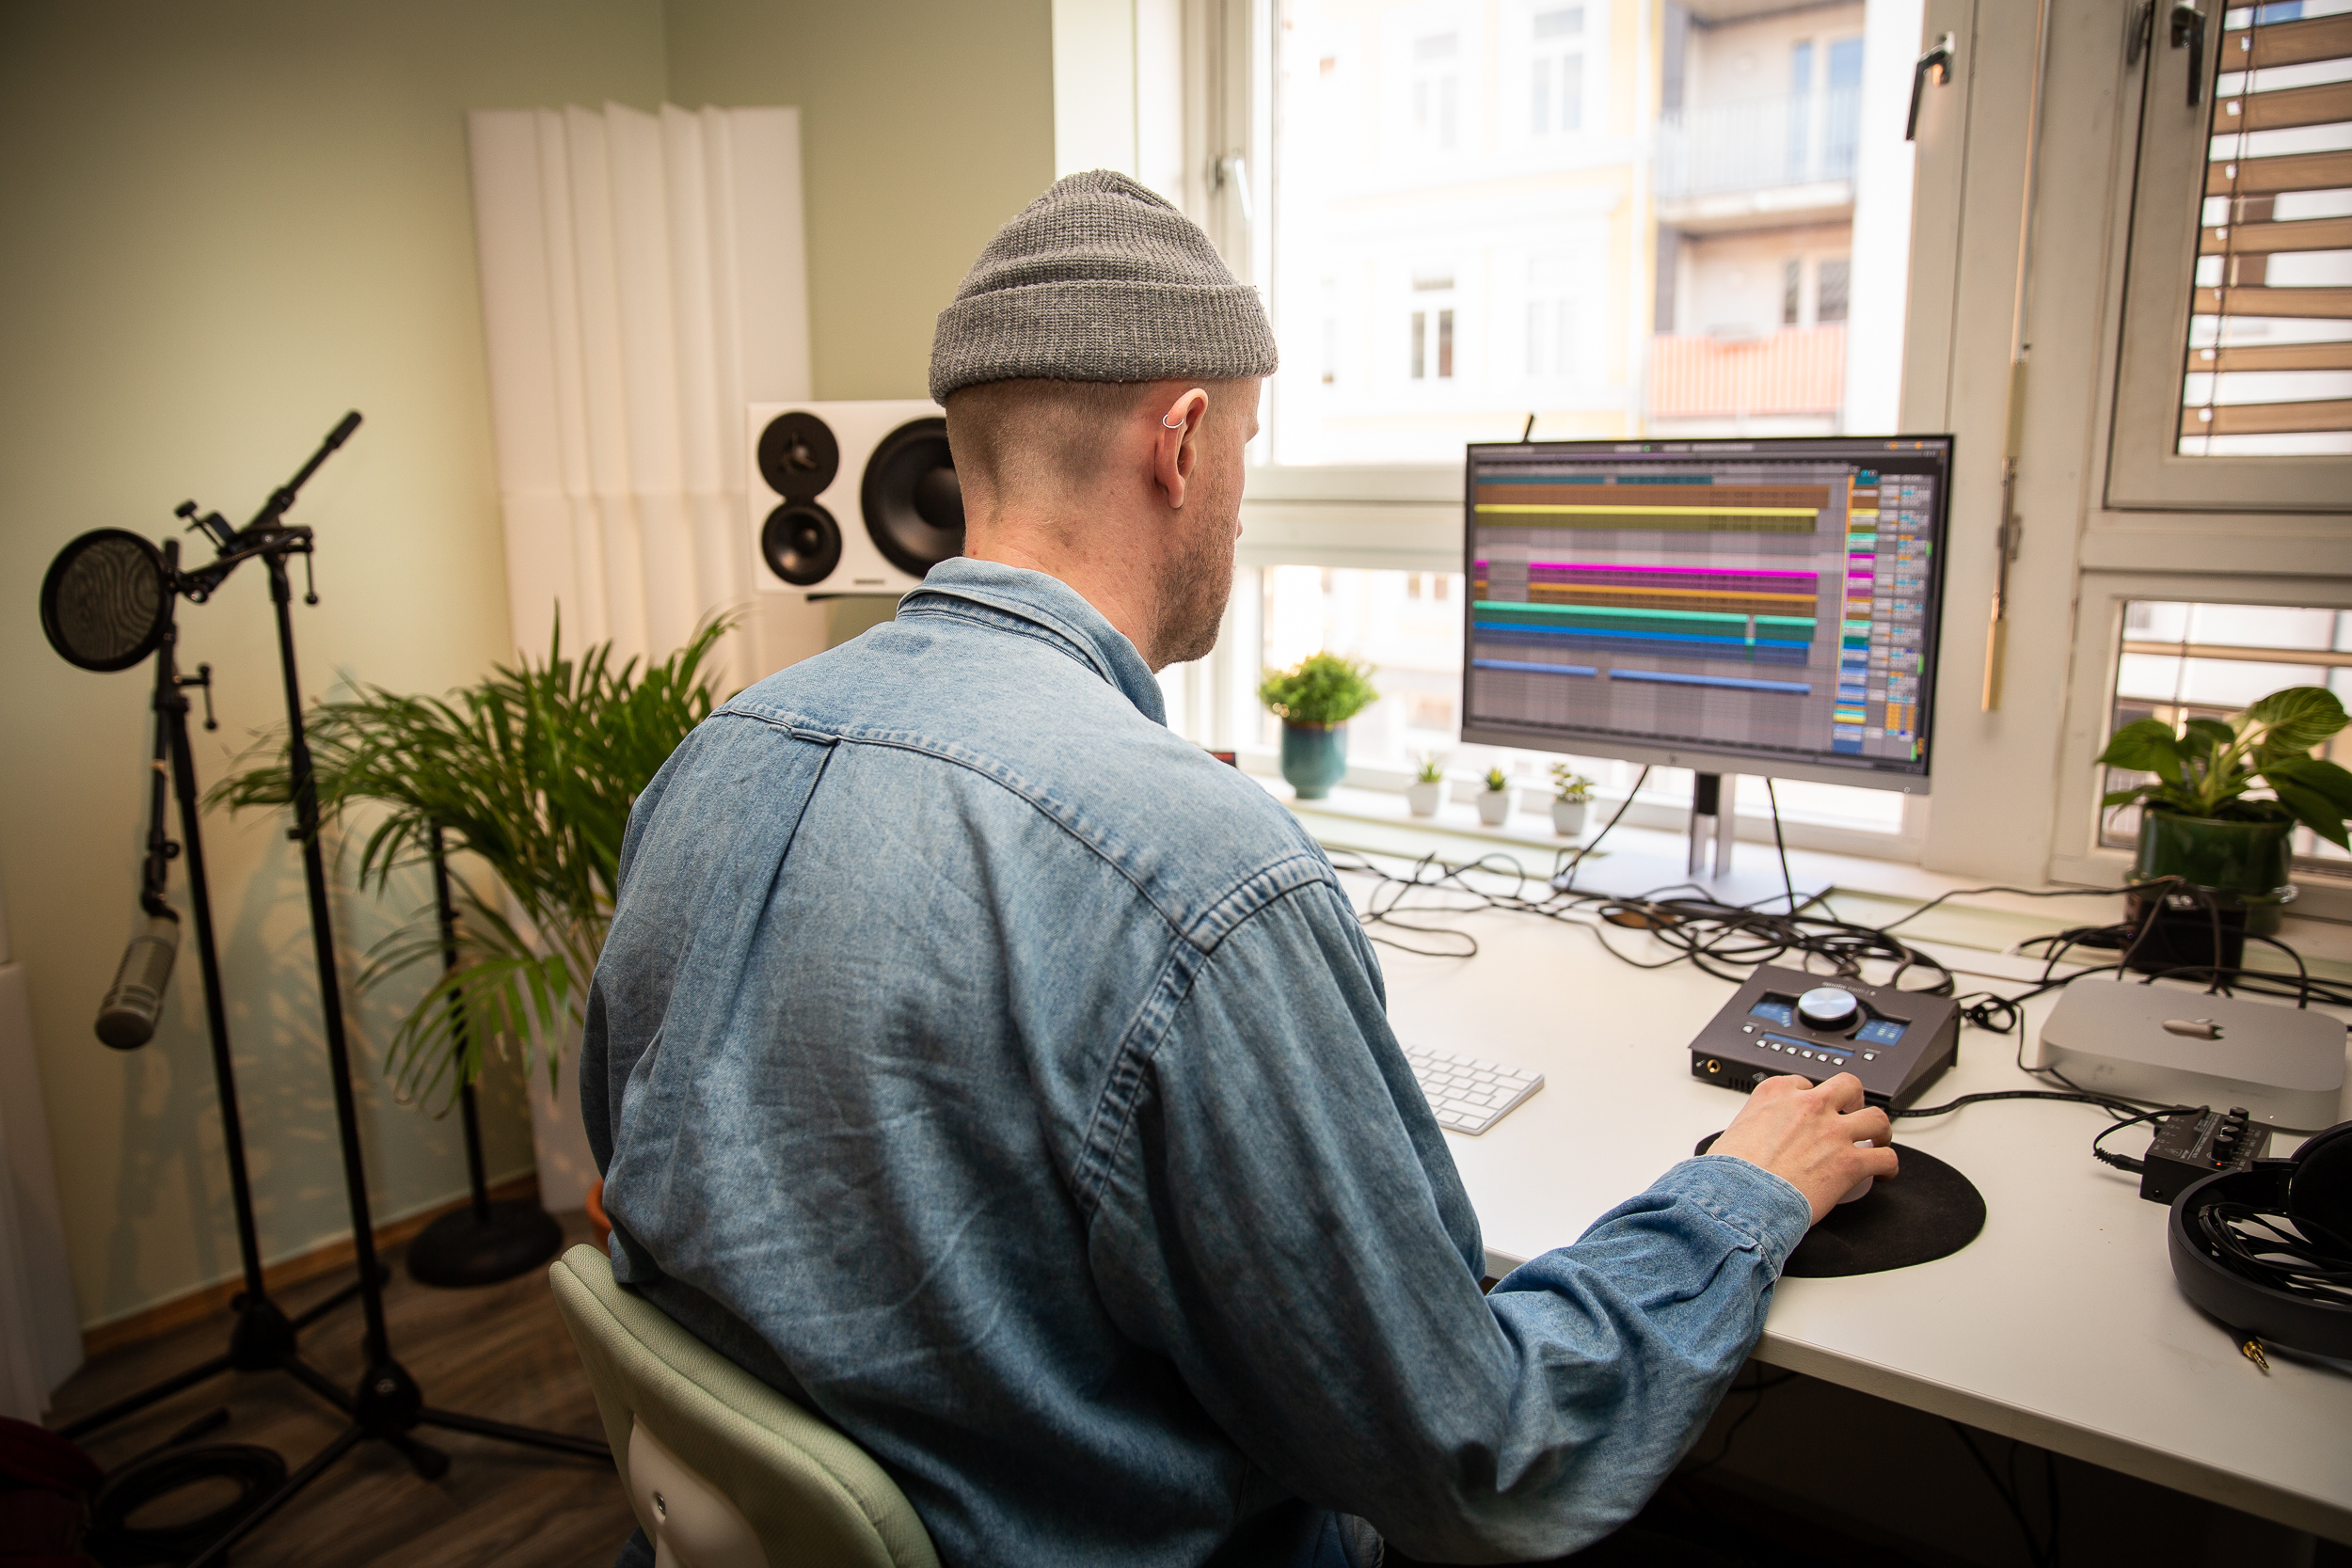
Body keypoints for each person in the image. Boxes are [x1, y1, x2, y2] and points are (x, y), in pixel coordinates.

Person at [583, 170, 1895, 1568]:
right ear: (1186, 442)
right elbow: (1483, 1454)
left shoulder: (718, 756)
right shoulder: (1199, 873)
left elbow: (637, 1169)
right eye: (1252, 445)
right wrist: (1745, 1187)